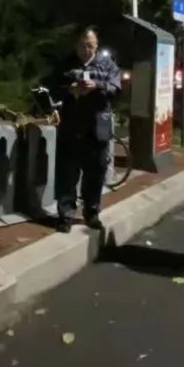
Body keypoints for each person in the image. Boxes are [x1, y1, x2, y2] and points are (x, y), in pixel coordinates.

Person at [49, 26, 123, 233]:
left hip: (97, 128)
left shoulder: (108, 65)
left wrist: (97, 87)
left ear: (96, 45)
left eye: (90, 45)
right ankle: (65, 216)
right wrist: (69, 90)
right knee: (66, 174)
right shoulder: (66, 64)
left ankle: (91, 213)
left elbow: (116, 88)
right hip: (70, 127)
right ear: (76, 45)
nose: (86, 49)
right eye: (82, 45)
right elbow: (52, 88)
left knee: (95, 173)